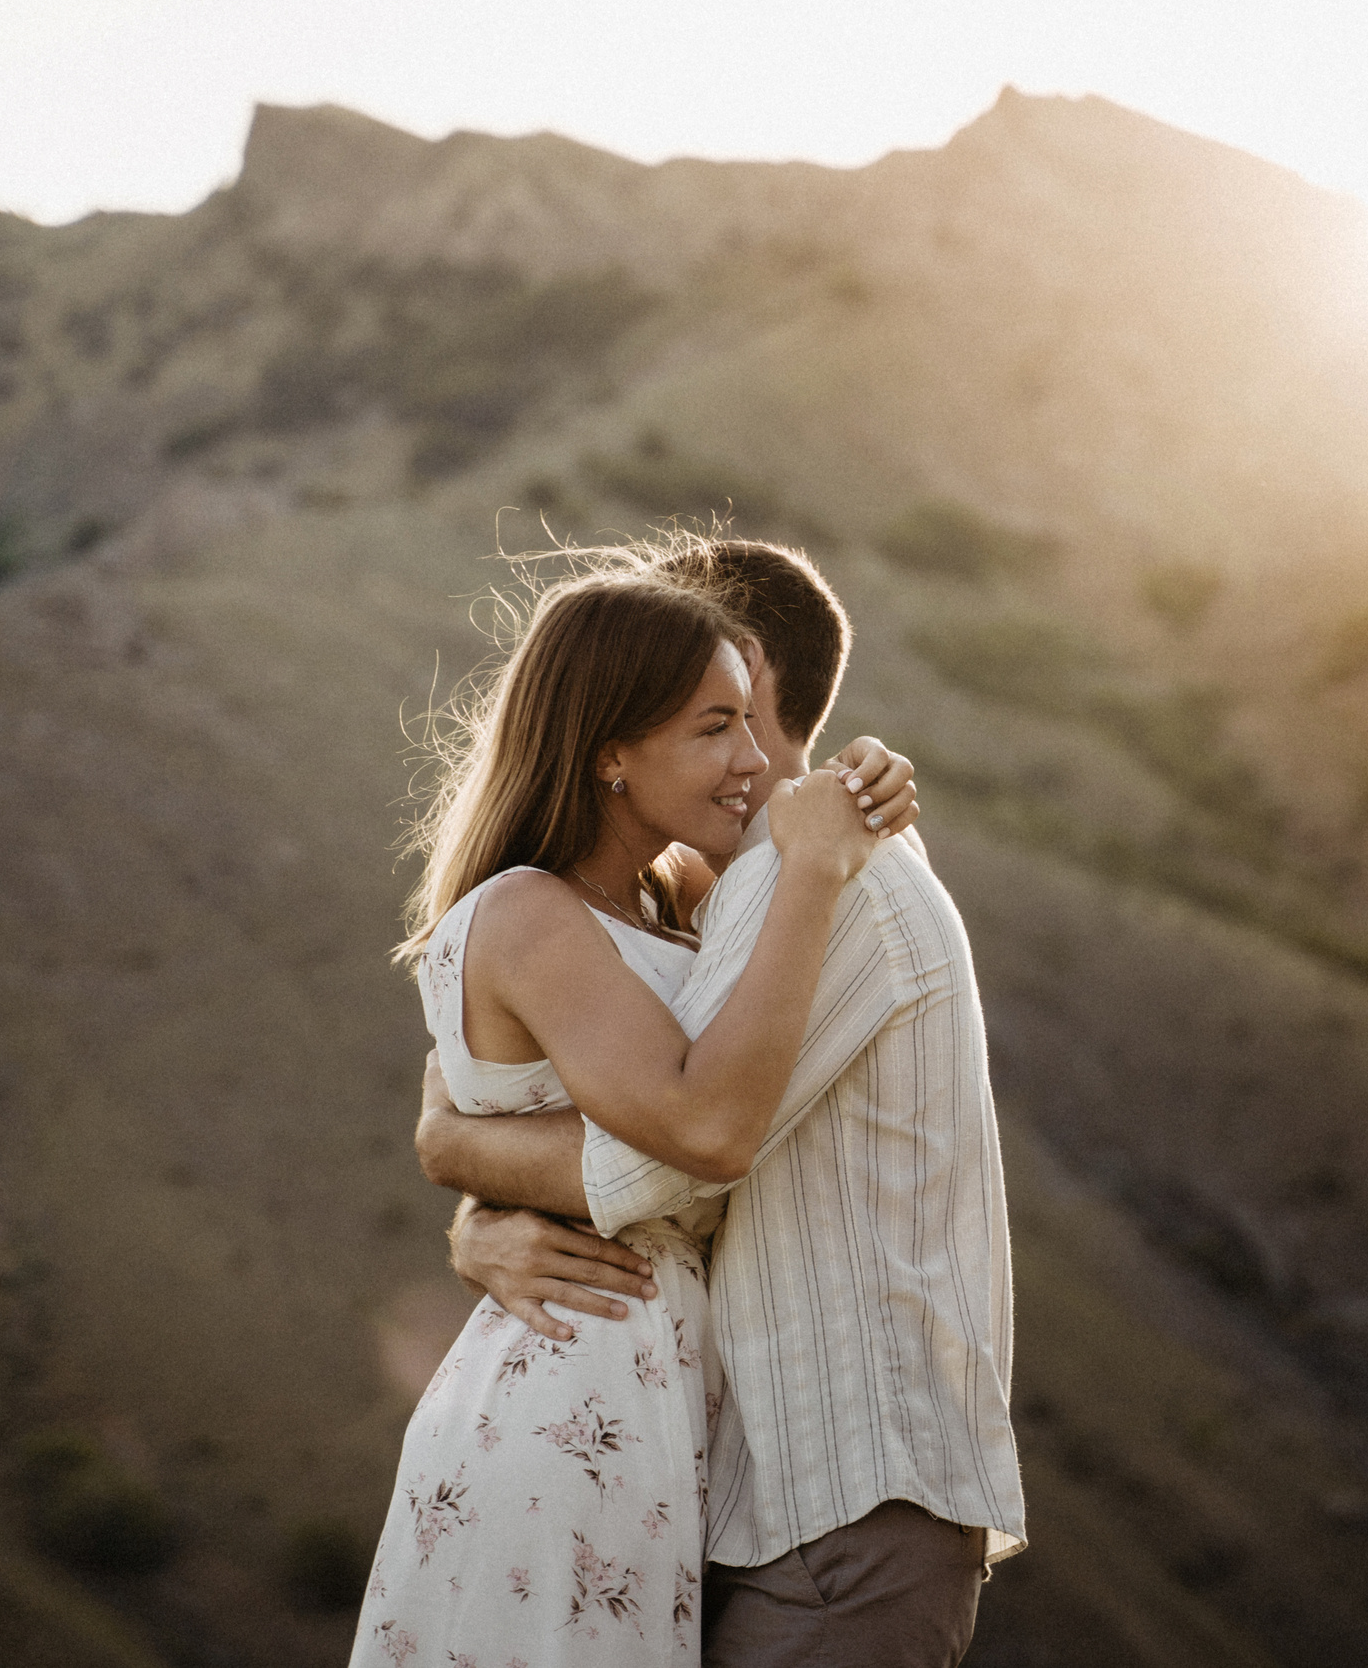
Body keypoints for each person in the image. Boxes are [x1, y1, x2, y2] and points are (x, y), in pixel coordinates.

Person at [416, 538, 1026, 1668]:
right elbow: (543, 1078)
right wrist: (462, 1161)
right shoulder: (709, 895)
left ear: (752, 666)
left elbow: (686, 1151)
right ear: (612, 747)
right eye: (711, 723)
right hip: (703, 1463)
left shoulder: (814, 882)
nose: (744, 754)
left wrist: (462, 1159)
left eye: (740, 715)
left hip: (839, 1495)